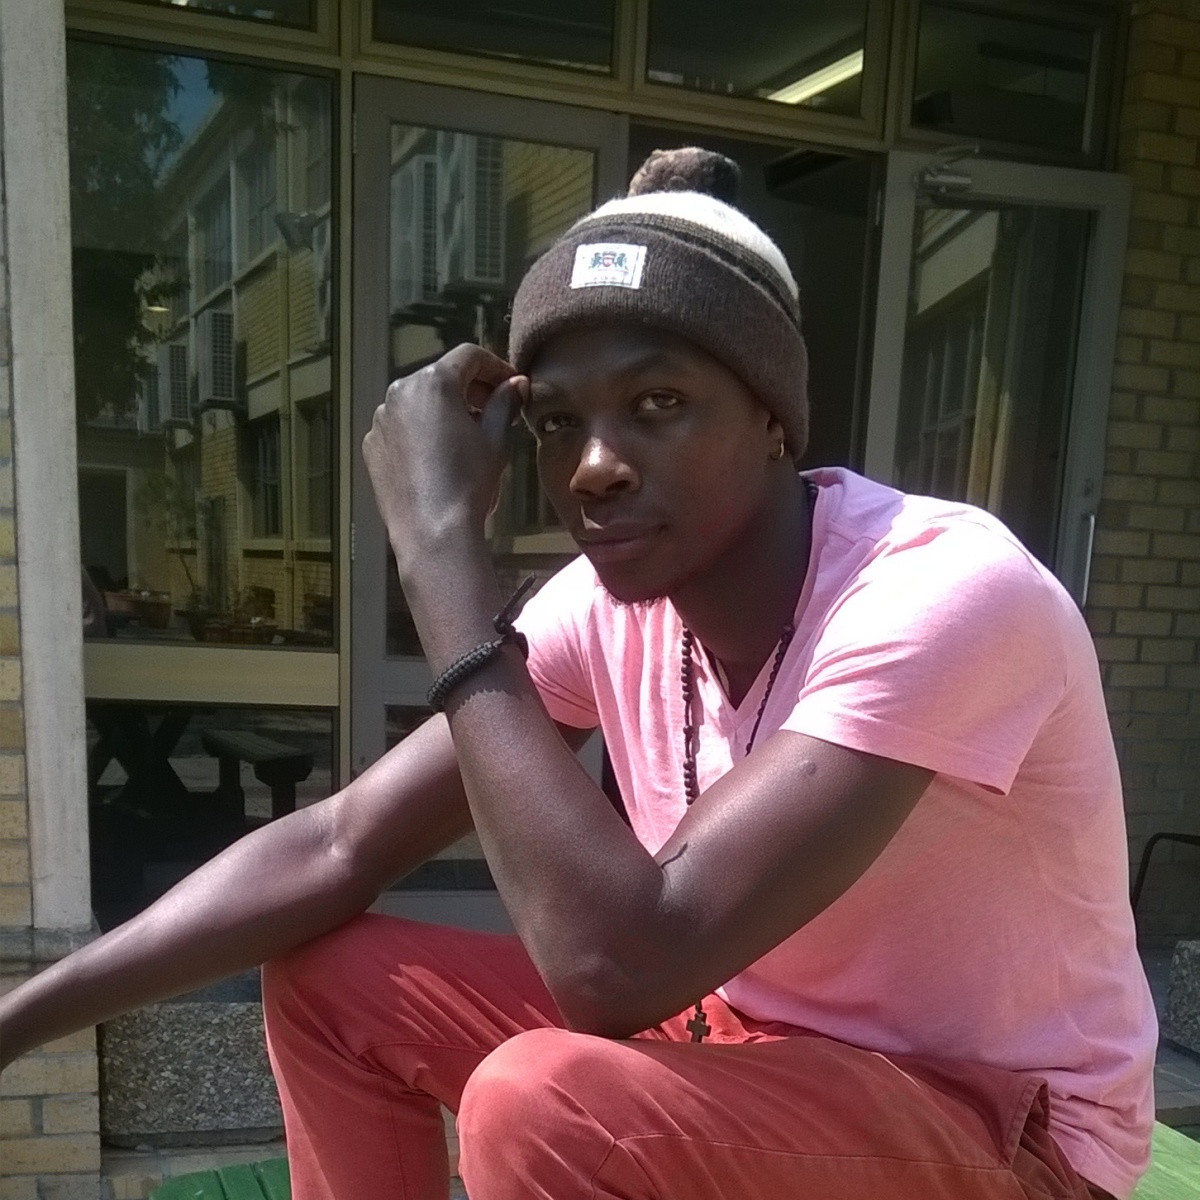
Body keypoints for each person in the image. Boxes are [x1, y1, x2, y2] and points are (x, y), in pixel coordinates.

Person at [0, 149, 1155, 1200]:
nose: (595, 466)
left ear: (773, 418)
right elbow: (338, 845)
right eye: (557, 424)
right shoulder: (605, 609)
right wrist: (17, 1022)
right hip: (742, 1045)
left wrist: (441, 559)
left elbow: (618, 968)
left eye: (659, 404)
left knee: (546, 1106)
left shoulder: (940, 589)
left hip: (1005, 1130)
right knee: (333, 978)